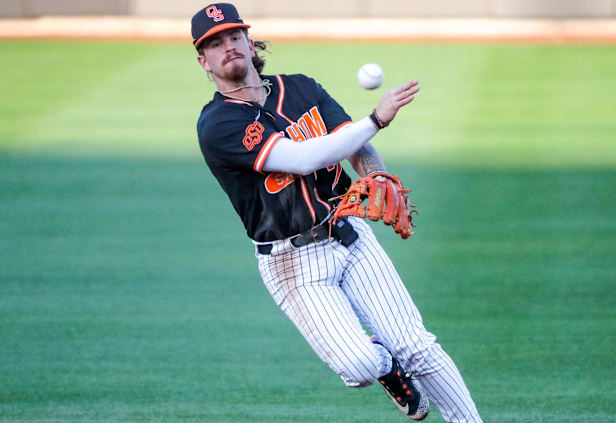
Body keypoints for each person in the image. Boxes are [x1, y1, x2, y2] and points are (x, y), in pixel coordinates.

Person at [191, 3, 482, 421]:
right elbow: (303, 157)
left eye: (233, 36)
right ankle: (386, 368)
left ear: (249, 40)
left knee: (417, 345)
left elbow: (352, 143)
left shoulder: (302, 88)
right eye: (214, 44)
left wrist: (377, 175)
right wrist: (377, 118)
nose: (228, 47)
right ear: (204, 61)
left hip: (348, 234)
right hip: (292, 263)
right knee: (359, 365)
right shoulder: (218, 125)